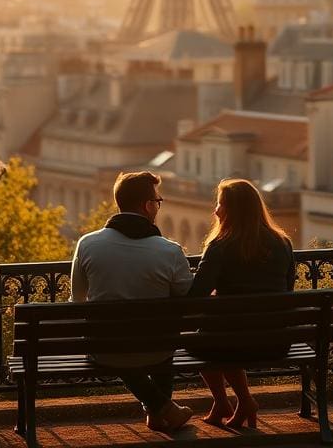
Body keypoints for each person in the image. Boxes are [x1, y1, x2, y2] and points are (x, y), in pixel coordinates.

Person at [70, 170, 195, 433]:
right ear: (148, 206)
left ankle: (159, 410)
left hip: (106, 348)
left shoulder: (87, 244)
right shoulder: (170, 251)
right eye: (158, 202)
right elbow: (188, 298)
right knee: (162, 338)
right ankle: (162, 410)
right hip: (158, 348)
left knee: (117, 341)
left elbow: (77, 299)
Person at [187, 178, 296, 429]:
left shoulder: (220, 246)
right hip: (275, 342)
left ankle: (234, 401)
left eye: (220, 204)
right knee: (225, 337)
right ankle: (232, 404)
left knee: (201, 343)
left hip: (233, 341)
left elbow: (196, 295)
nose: (215, 210)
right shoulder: (282, 243)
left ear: (232, 210)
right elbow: (288, 288)